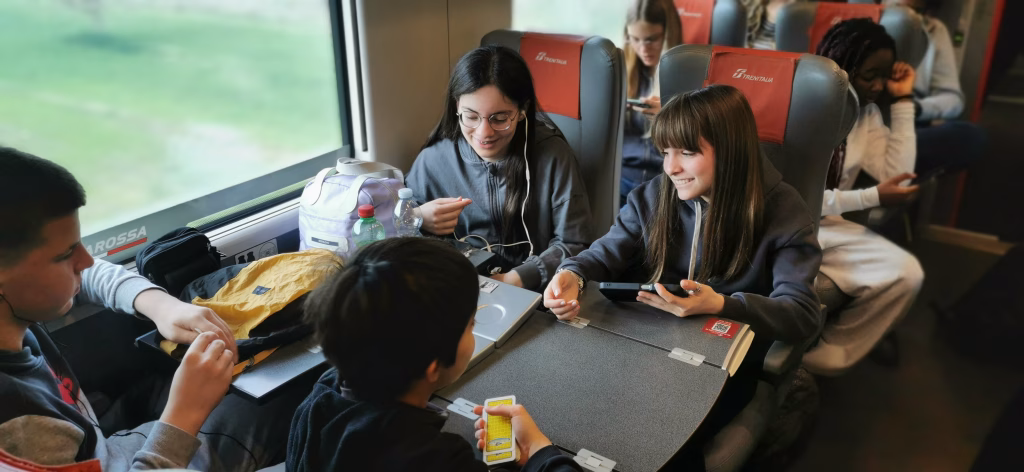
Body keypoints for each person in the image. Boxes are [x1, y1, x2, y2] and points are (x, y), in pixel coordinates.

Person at [543, 87, 820, 463]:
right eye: (666, 152)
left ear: (731, 152)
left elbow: (801, 314)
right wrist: (571, 274)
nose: (670, 168)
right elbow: (606, 251)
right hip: (646, 344)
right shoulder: (655, 195)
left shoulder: (784, 213)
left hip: (722, 365)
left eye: (687, 153)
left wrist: (723, 304)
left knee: (657, 448)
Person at [0, 147, 296, 470]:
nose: (85, 261)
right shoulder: (21, 430)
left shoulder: (17, 308)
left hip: (115, 449)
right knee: (285, 403)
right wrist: (183, 416)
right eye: (65, 254)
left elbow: (92, 272)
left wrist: (163, 308)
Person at [287, 237, 582, 472]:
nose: (474, 328)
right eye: (470, 324)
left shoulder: (317, 399)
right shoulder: (439, 460)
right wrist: (540, 454)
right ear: (432, 367)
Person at [406, 45, 592, 292]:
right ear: (456, 108)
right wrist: (418, 219)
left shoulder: (553, 157)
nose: (484, 133)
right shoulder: (432, 161)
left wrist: (518, 278)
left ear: (523, 111)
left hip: (536, 293)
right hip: (457, 290)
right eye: (471, 116)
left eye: (500, 118)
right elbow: (397, 233)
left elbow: (574, 242)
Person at [801, 18, 926, 375]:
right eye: (868, 74)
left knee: (907, 273)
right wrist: (870, 197)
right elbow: (798, 198)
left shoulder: (866, 114)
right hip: (786, 224)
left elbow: (897, 177)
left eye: (883, 75)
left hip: (827, 227)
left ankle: (827, 357)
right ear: (842, 68)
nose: (877, 85)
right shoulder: (803, 109)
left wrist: (903, 101)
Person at [884, 0, 986, 175]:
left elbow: (953, 99)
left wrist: (915, 107)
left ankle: (890, 162)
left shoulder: (934, 30)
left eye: (917, 11)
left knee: (970, 137)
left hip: (906, 117)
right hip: (861, 116)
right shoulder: (859, 16)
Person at [620, 0, 684, 202]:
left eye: (651, 39)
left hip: (664, 181)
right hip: (621, 176)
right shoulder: (620, 70)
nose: (643, 49)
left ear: (668, 33)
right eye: (635, 39)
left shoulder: (689, 74)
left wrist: (667, 116)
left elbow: (696, 142)